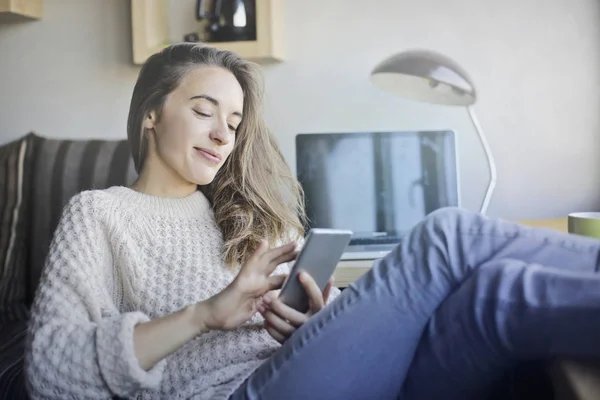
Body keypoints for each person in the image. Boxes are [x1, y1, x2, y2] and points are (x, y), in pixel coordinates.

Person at [23, 42, 600, 400]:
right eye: (203, 112)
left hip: (314, 373)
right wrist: (204, 315)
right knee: (445, 237)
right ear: (151, 113)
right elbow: (49, 373)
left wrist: (320, 321)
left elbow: (308, 326)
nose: (224, 134)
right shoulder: (100, 215)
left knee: (495, 297)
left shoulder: (243, 212)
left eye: (234, 120)